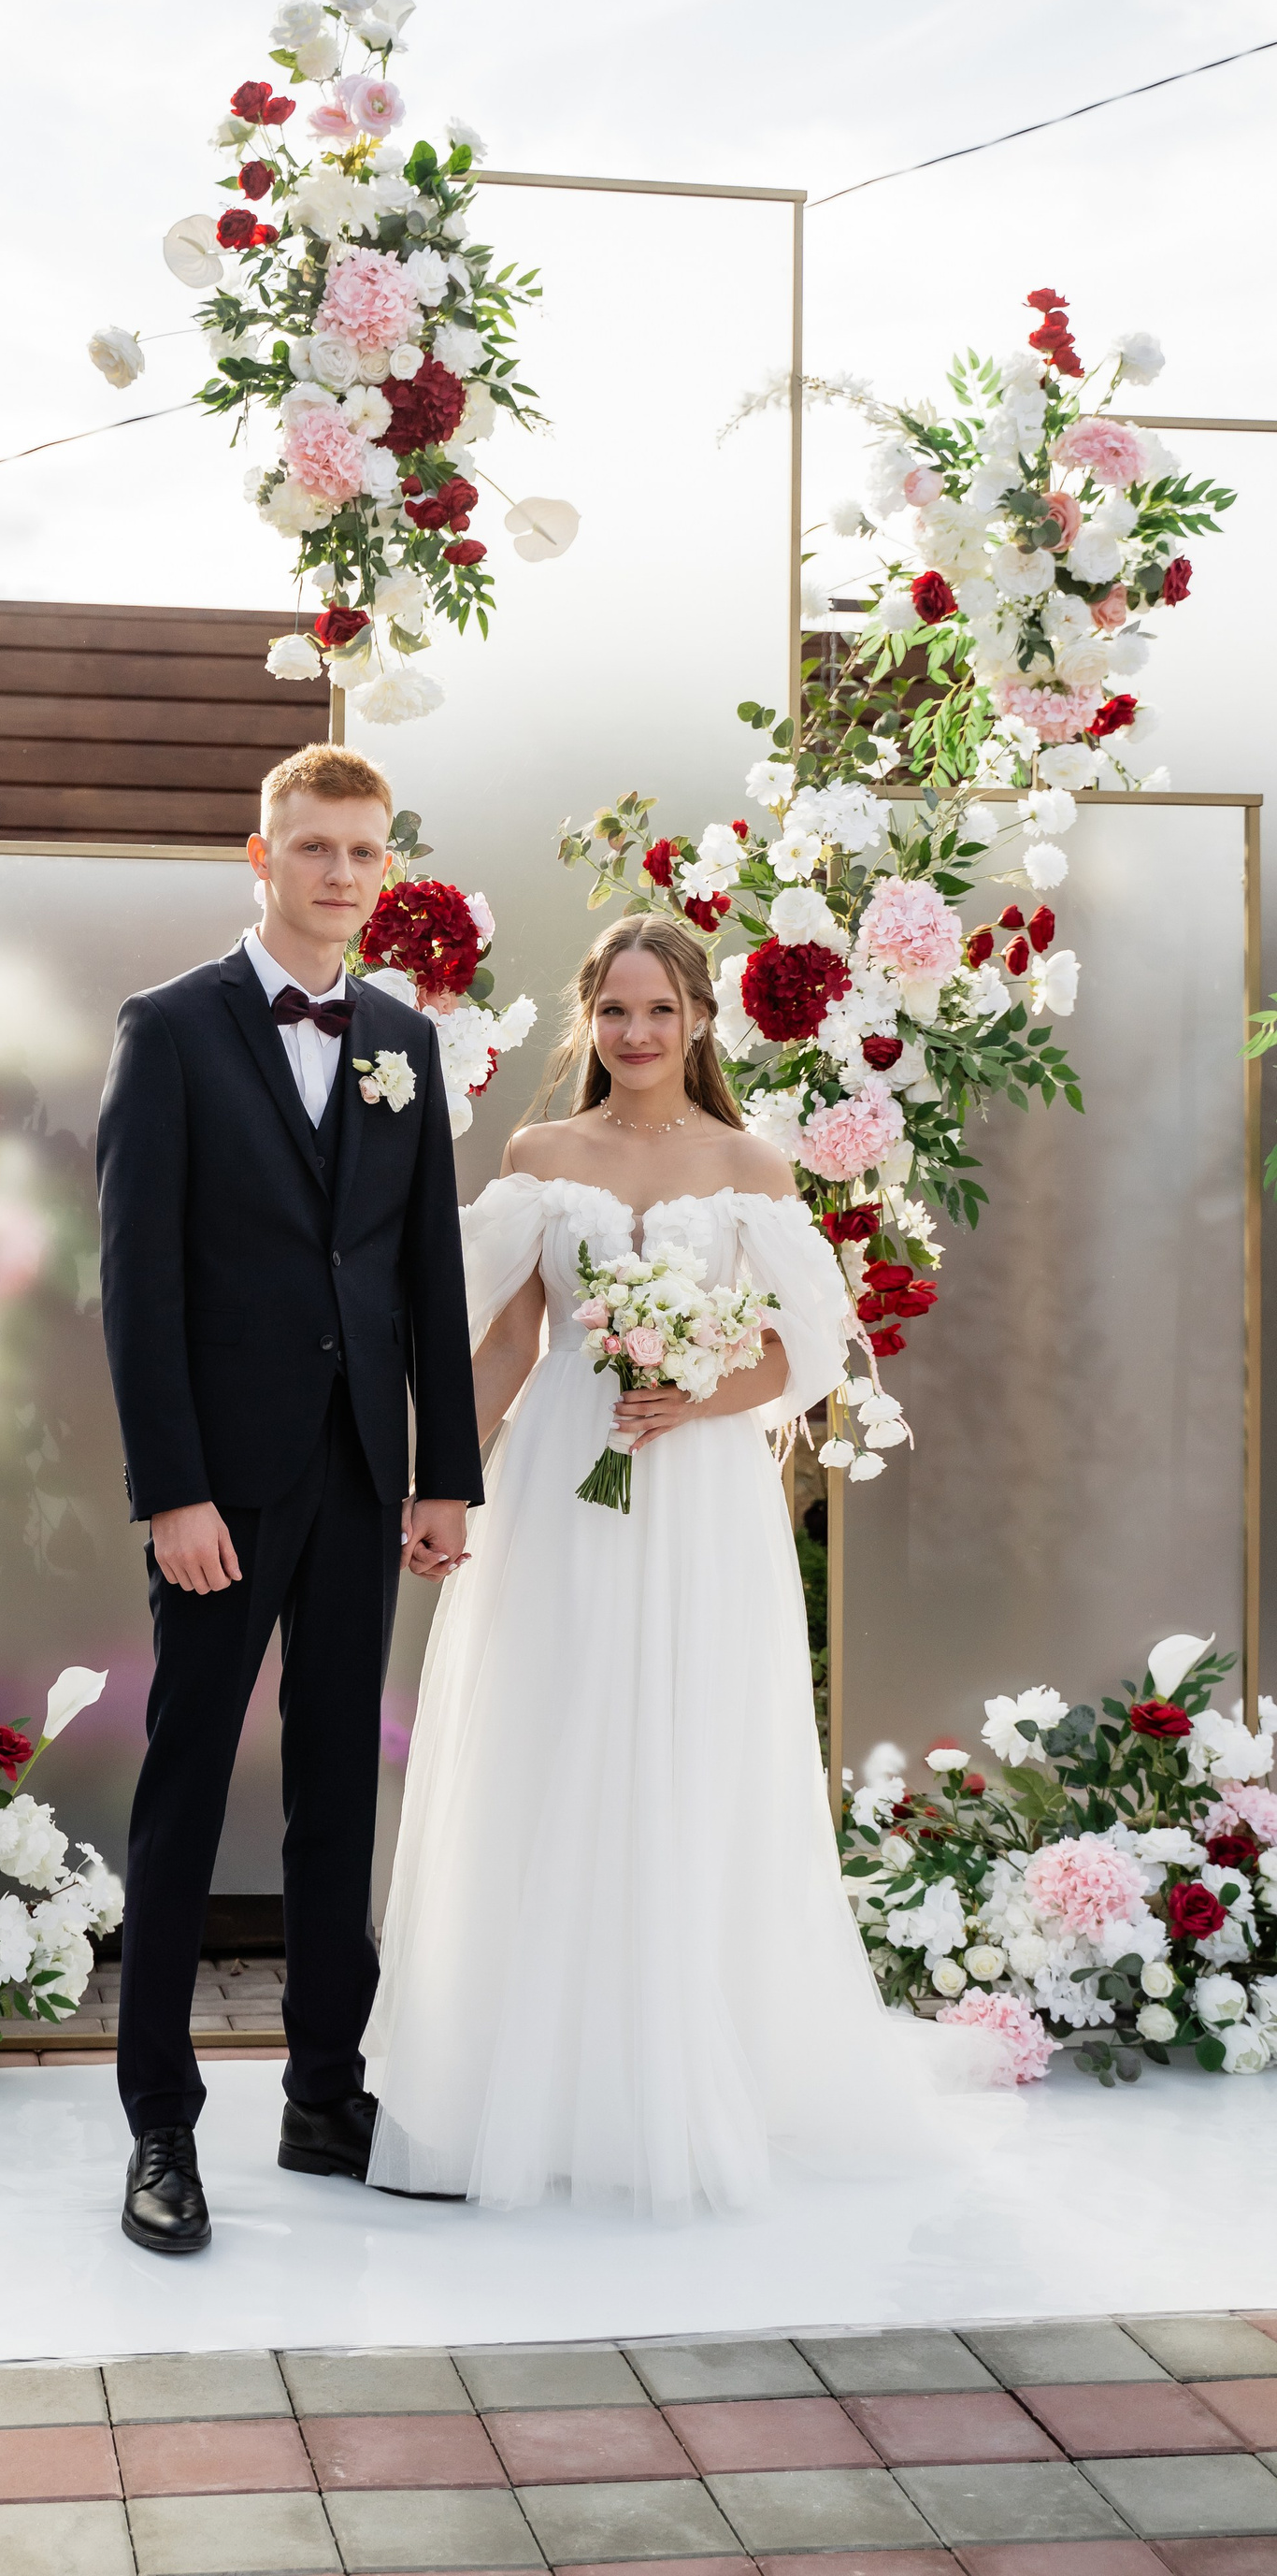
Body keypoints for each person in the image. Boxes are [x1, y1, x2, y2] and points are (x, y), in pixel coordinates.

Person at [365, 912, 997, 2221]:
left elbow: (801, 1352)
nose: (637, 1032)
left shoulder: (750, 1165)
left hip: (698, 1492)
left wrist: (698, 1393)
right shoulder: (542, 1158)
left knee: (686, 1749)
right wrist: (443, 1484)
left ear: (702, 1019)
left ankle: (683, 2074)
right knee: (552, 1739)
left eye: (660, 1010)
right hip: (561, 1481)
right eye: (615, 1010)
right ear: (587, 1020)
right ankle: (531, 2083)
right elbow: (507, 1343)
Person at [95, 741, 484, 2254]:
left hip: (362, 1476)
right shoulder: (171, 1029)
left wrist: (443, 1475)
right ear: (262, 858)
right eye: (314, 846)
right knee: (188, 1789)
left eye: (364, 851)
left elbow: (425, 1269)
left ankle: (327, 2092)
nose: (340, 873)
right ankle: (160, 2124)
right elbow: (136, 1283)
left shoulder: (404, 1040)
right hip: (224, 1488)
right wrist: (173, 1492)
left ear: (387, 869)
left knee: (338, 1784)